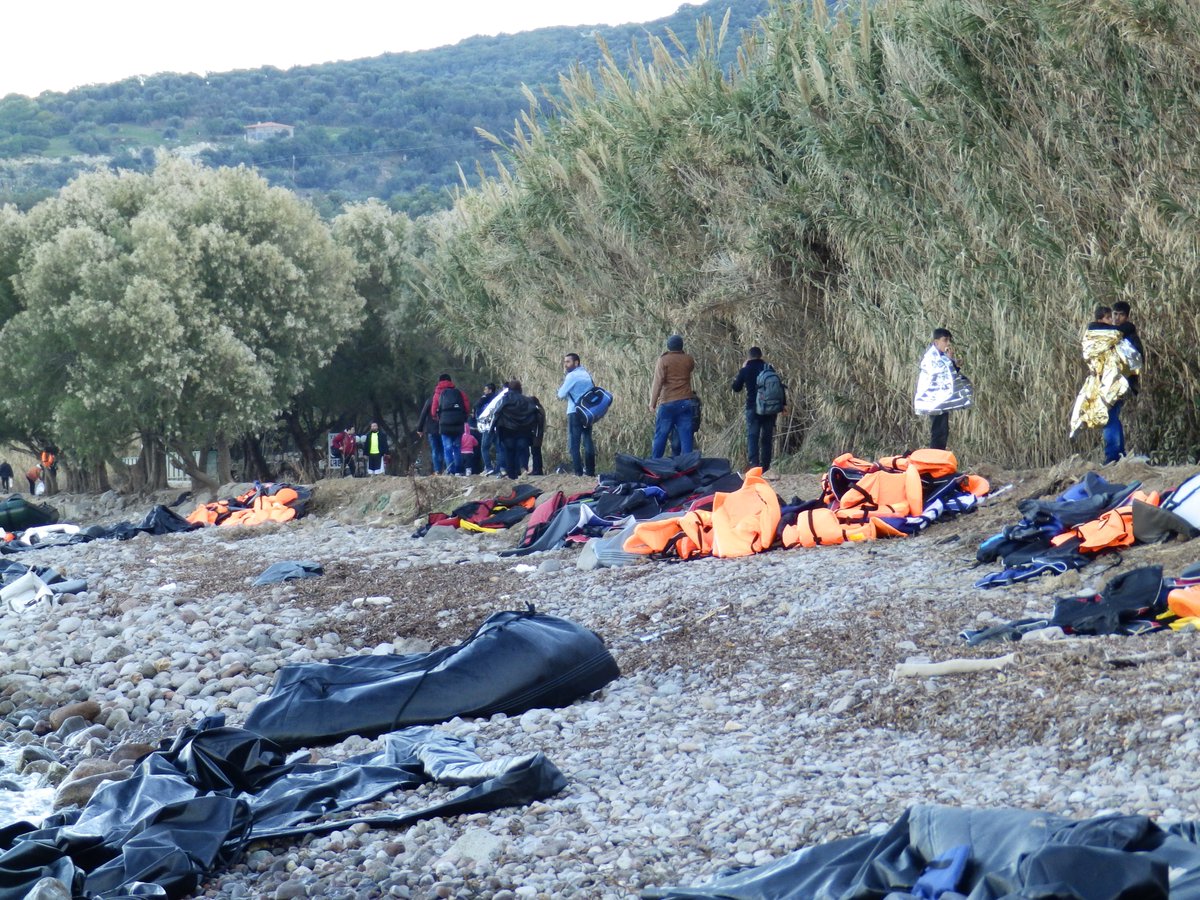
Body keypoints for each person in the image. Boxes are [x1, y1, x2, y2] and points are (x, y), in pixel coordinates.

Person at [1071, 305, 1142, 463]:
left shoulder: (1119, 334)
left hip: (1116, 384)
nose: (1115, 319)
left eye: (1118, 315)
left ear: (1127, 316)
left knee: (1110, 417)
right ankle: (1116, 454)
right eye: (1111, 316)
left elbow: (1134, 359)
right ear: (1100, 319)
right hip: (1108, 384)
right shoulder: (1109, 334)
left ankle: (1113, 456)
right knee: (1110, 417)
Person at [913, 328, 971, 451]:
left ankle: (938, 456)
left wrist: (953, 363)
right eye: (945, 340)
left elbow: (948, 376)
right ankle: (935, 458)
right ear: (936, 342)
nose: (948, 343)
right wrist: (951, 361)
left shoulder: (941, 357)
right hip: (933, 401)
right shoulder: (931, 358)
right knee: (938, 431)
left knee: (943, 430)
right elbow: (940, 374)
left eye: (949, 340)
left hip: (940, 400)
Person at [731, 346, 784, 473]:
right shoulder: (768, 368)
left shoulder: (746, 370)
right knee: (767, 437)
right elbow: (779, 387)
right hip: (770, 408)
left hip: (753, 408)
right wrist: (783, 405)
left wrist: (743, 369)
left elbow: (736, 388)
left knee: (752, 436)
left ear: (749, 356)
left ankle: (754, 465)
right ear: (761, 356)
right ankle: (766, 466)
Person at [649, 334, 696, 458]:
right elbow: (690, 368)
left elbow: (658, 382)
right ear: (681, 346)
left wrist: (652, 404)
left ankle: (655, 463)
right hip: (686, 401)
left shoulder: (663, 360)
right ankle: (688, 465)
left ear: (668, 346)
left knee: (661, 435)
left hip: (668, 402)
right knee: (686, 436)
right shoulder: (688, 359)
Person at [557, 353, 596, 477]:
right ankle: (590, 471)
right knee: (588, 440)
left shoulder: (572, 376)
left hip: (574, 412)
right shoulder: (586, 374)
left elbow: (561, 394)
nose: (565, 364)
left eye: (568, 362)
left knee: (574, 443)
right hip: (587, 412)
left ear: (576, 362)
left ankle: (578, 472)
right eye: (565, 362)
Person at [494, 379, 539, 479]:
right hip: (523, 431)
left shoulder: (505, 399)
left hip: (508, 430)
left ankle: (511, 475)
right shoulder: (527, 400)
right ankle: (523, 469)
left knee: (509, 452)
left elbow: (497, 413)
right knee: (522, 450)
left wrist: (497, 428)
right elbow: (534, 413)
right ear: (520, 389)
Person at [431, 373, 471, 475]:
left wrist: (438, 418)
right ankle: (459, 471)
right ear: (450, 381)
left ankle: (451, 471)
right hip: (458, 423)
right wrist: (464, 417)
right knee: (457, 448)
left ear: (439, 381)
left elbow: (433, 410)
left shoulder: (438, 393)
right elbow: (467, 407)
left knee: (447, 448)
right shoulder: (459, 392)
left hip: (444, 424)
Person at [416, 394, 445, 475]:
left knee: (435, 450)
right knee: (444, 450)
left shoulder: (430, 399)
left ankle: (437, 470)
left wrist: (419, 429)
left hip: (431, 429)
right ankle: (445, 469)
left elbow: (423, 414)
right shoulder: (446, 398)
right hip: (444, 428)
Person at [476, 383, 500, 475]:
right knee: (499, 448)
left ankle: (488, 467)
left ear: (490, 390)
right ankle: (499, 469)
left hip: (487, 426)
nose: (484, 391)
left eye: (485, 389)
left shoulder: (484, 399)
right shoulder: (498, 399)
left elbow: (477, 407)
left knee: (484, 448)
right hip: (496, 426)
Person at [528, 395, 546, 476]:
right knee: (536, 452)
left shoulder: (536, 410)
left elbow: (536, 424)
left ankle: (537, 470)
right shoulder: (540, 409)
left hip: (536, 434)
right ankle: (537, 469)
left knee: (535, 452)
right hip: (538, 434)